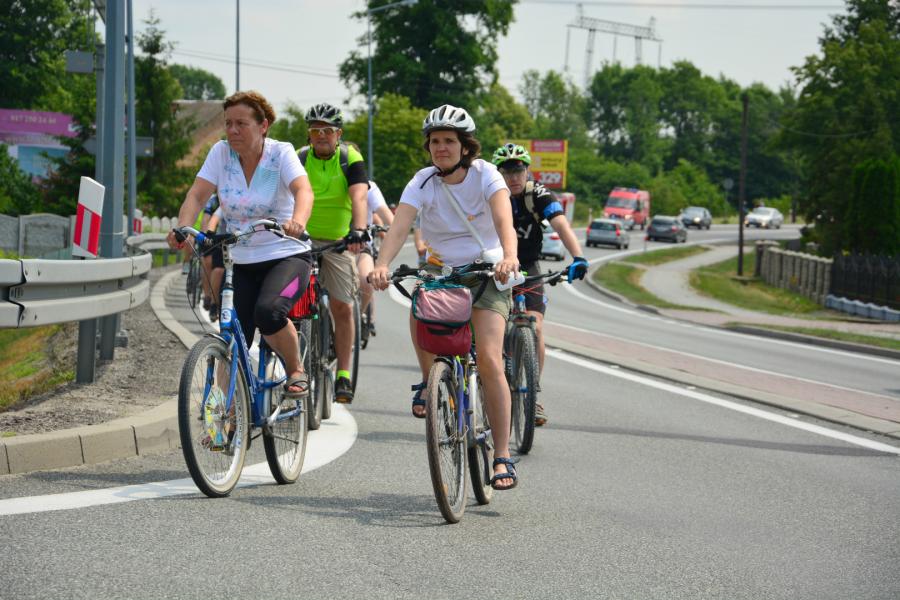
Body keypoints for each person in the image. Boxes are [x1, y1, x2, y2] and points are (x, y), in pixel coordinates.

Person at [370, 104, 521, 491]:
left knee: (489, 360)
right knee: (419, 301)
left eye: (449, 141)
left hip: (487, 269)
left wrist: (509, 256)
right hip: (442, 269)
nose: (441, 148)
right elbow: (400, 226)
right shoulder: (422, 182)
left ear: (465, 146)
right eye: (435, 141)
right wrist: (382, 264)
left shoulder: (486, 175)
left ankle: (502, 455)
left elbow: (504, 220)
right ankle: (429, 380)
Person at [167, 90, 314, 398]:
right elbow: (197, 195)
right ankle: (224, 409)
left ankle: (296, 369)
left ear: (263, 126)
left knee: (268, 313)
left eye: (241, 124)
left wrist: (297, 221)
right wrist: (183, 227)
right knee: (233, 336)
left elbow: (303, 190)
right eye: (228, 123)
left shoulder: (280, 153)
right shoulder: (221, 154)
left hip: (286, 255)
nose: (232, 130)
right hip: (241, 261)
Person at [491, 143, 588, 426]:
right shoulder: (490, 194)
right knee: (490, 326)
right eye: (507, 172)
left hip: (529, 266)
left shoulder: (539, 194)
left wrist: (578, 257)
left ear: (527, 171)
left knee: (535, 326)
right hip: (495, 267)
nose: (513, 177)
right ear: (498, 174)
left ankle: (532, 394)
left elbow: (561, 225)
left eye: (518, 171)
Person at [298, 103, 369, 403]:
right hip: (302, 239)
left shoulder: (349, 158)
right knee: (290, 304)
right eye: (315, 130)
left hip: (339, 240)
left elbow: (359, 196)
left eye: (327, 130)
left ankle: (343, 373)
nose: (321, 135)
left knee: (342, 306)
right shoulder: (300, 158)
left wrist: (358, 230)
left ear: (339, 134)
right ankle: (294, 367)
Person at [357, 179, 395, 336]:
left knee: (366, 282)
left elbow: (384, 213)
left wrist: (394, 228)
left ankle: (357, 317)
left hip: (361, 245)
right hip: (330, 243)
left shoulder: (369, 186)